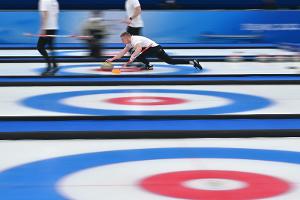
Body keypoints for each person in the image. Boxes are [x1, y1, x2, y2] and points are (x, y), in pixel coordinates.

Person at [106, 32, 202, 71]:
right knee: (170, 61)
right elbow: (122, 53)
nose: (122, 41)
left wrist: (132, 57)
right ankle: (192, 61)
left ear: (127, 37)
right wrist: (112, 59)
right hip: (153, 49)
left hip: (155, 48)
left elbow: (139, 48)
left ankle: (148, 66)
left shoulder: (134, 39)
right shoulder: (129, 43)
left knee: (135, 54)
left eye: (122, 40)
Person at [37, 0, 59, 76]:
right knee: (50, 47)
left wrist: (43, 29)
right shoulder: (55, 1)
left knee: (40, 47)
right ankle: (55, 65)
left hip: (47, 28)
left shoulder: (43, 1)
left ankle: (49, 67)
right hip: (54, 27)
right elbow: (56, 14)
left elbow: (45, 15)